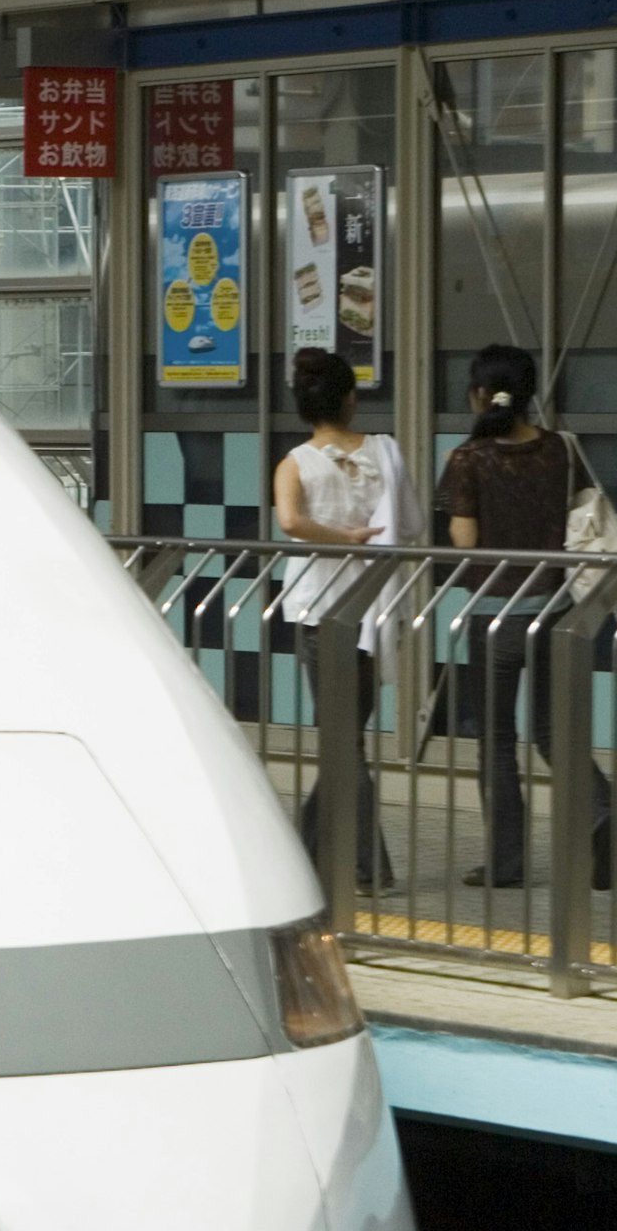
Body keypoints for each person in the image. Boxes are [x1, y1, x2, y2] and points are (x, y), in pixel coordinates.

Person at [436, 343, 617, 891]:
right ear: (529, 394)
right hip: (556, 609)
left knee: (496, 740)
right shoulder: (561, 450)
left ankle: (507, 863)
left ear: (478, 394)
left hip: (495, 618)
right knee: (550, 732)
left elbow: (466, 540)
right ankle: (602, 812)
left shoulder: (467, 460)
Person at [269, 346, 411, 887]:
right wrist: (359, 537)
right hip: (374, 611)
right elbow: (413, 519)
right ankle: (308, 852)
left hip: (317, 609)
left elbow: (290, 521)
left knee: (341, 740)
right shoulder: (386, 451)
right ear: (351, 399)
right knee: (346, 735)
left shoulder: (294, 463)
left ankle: (364, 865)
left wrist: (339, 539)